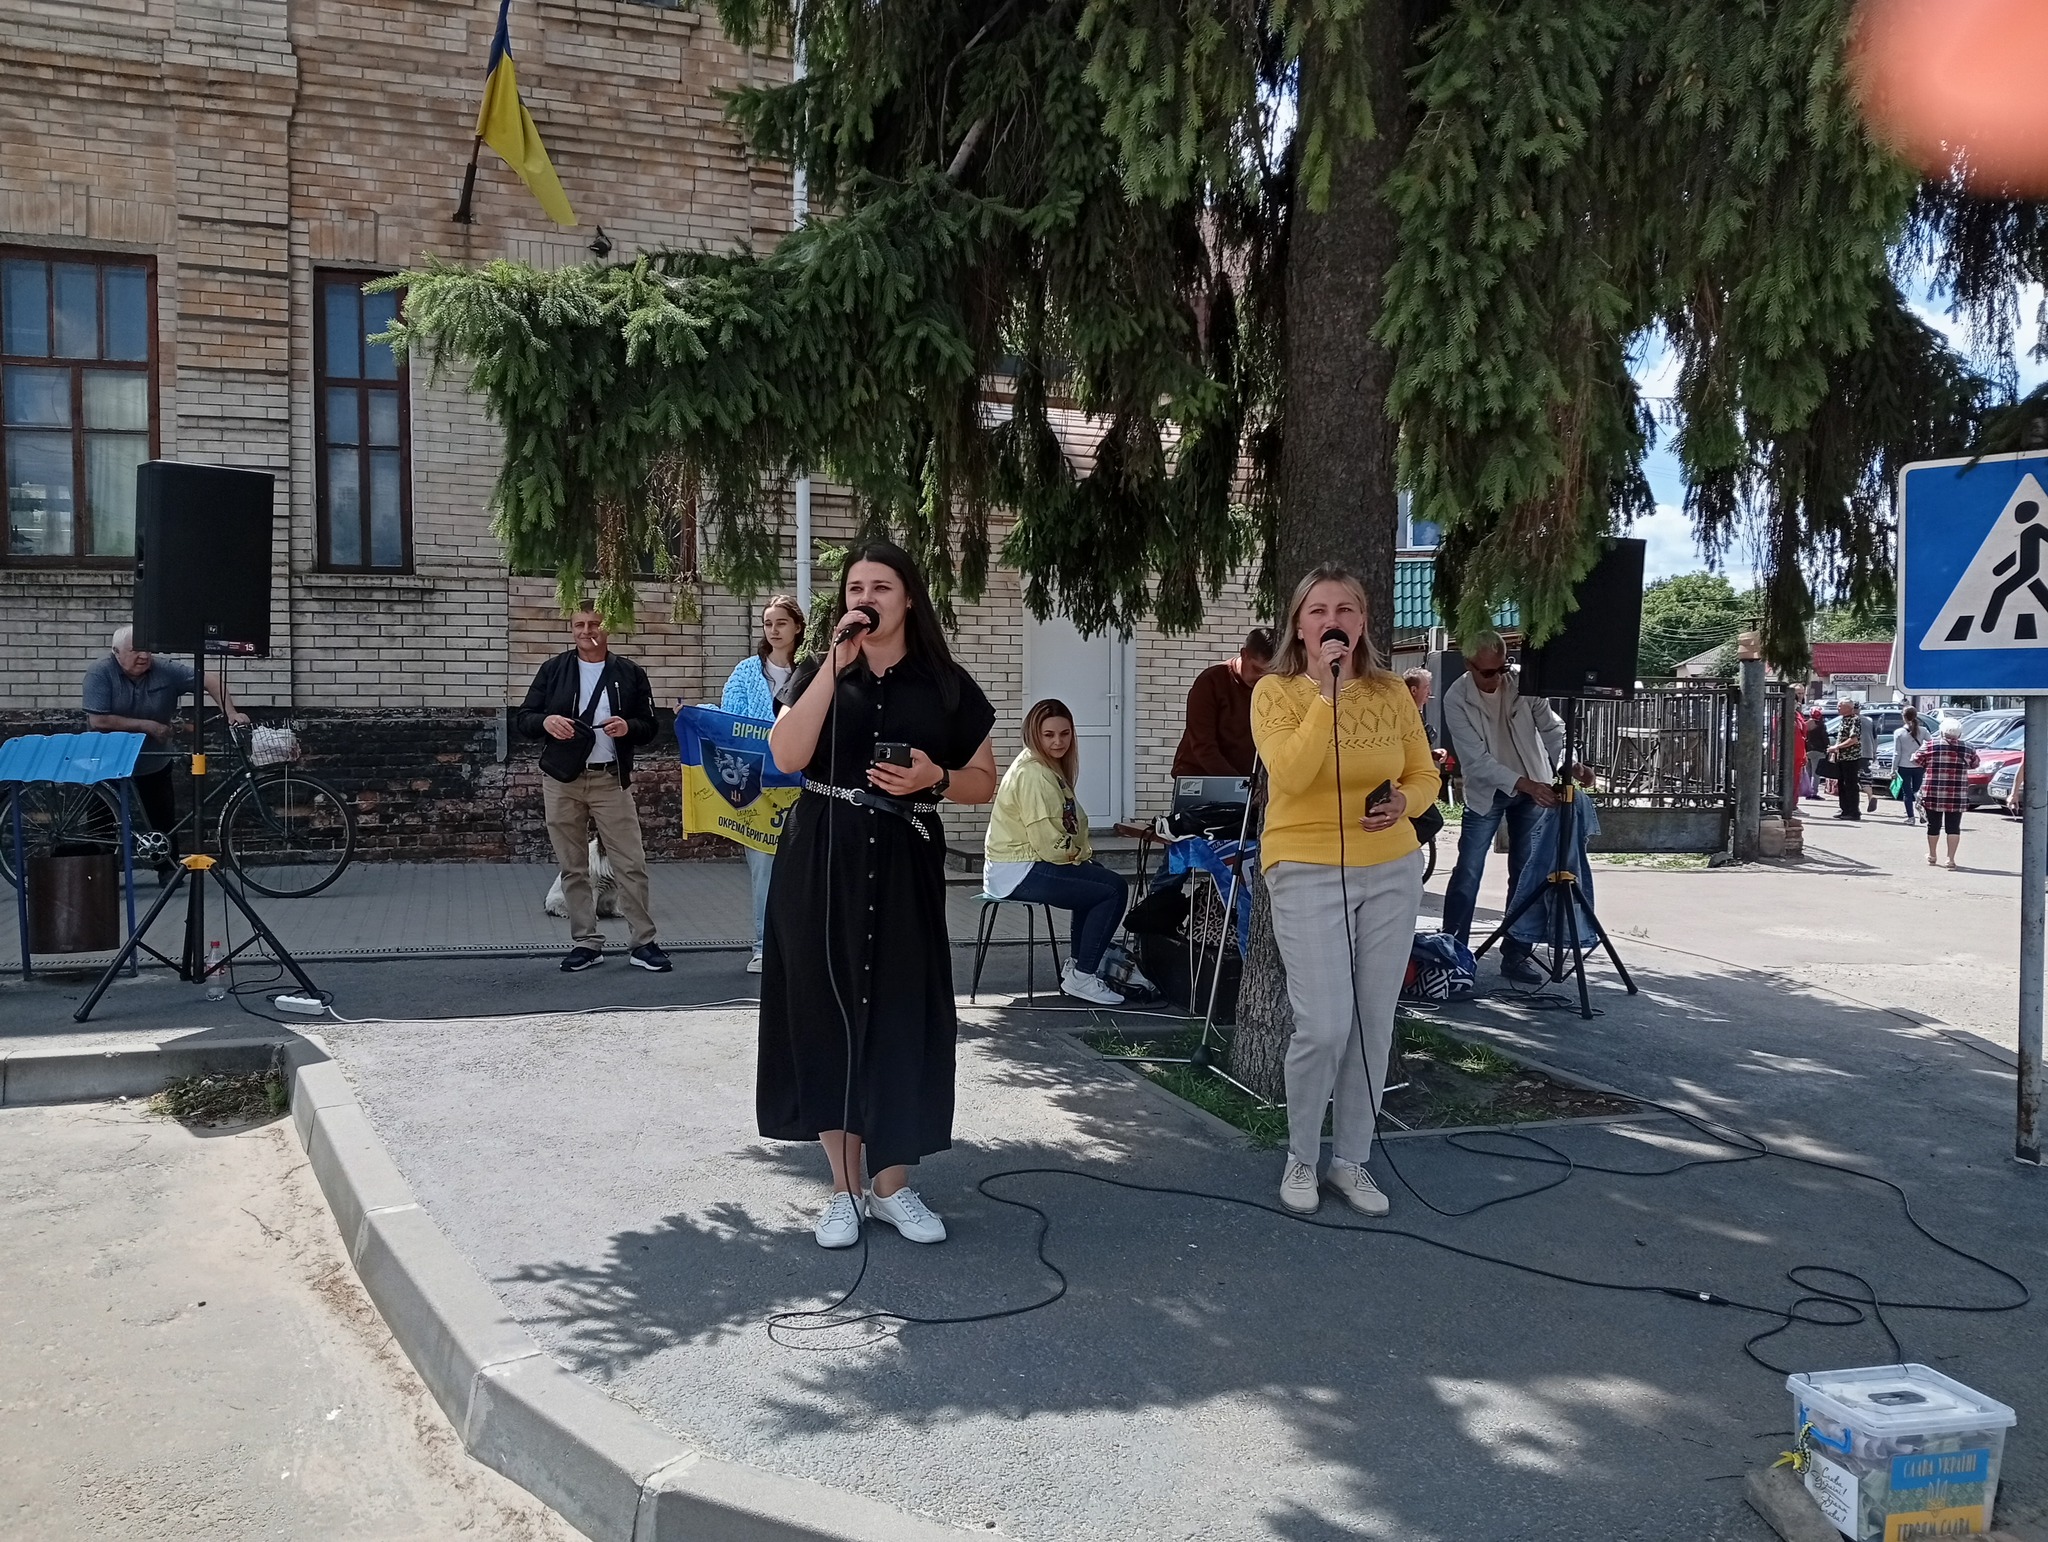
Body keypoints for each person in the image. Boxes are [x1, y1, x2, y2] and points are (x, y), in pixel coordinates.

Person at [761, 542, 999, 1250]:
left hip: (904, 860)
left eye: (882, 586)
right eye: (855, 587)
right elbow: (786, 755)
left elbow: (984, 781)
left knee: (900, 1016)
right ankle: (843, 1191)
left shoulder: (946, 682)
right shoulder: (819, 668)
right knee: (824, 1013)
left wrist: (934, 777)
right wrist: (833, 667)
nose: (866, 597)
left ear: (909, 598)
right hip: (822, 857)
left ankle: (892, 1188)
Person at [1250, 564, 1436, 1220]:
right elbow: (1292, 775)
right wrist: (1326, 694)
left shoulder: (1391, 693)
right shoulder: (1275, 693)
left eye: (1346, 610)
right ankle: (1302, 1154)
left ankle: (1350, 1160)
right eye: (1319, 611)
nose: (1333, 621)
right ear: (1300, 626)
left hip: (1390, 867)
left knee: (1371, 1022)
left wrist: (1406, 802)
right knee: (1326, 1025)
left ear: (1362, 622)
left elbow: (1424, 774)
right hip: (1305, 865)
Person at [516, 607, 668, 973]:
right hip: (562, 780)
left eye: (595, 624)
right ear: (572, 630)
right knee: (573, 866)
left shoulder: (629, 672)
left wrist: (628, 727)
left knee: (631, 863)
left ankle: (643, 943)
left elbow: (650, 725)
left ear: (607, 628)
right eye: (580, 625)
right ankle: (586, 942)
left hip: (610, 779)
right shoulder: (554, 670)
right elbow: (524, 719)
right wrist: (547, 721)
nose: (588, 631)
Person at [1440, 630, 1587, 983]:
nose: (1497, 678)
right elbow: (1476, 761)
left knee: (1525, 874)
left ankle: (1517, 954)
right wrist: (1525, 784)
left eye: (1502, 668)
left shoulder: (1522, 682)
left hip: (1533, 784)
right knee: (1468, 871)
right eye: (1488, 672)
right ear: (1468, 665)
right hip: (1488, 792)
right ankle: (1452, 954)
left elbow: (1552, 729)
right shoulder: (1455, 697)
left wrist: (1569, 761)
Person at [984, 699, 1153, 1005]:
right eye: (1048, 735)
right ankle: (1083, 976)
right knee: (1113, 888)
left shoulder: (1042, 766)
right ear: (1034, 734)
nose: (1058, 742)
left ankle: (1078, 967)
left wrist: (1082, 859)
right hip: (1020, 870)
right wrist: (1079, 857)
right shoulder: (1035, 774)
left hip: (1018, 866)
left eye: (1064, 733)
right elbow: (1050, 844)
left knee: (1097, 879)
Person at [83, 626, 250, 875]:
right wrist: (147, 726)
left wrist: (231, 712)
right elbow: (98, 720)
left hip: (153, 757)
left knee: (161, 813)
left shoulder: (165, 670)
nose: (144, 656)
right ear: (116, 652)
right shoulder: (100, 672)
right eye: (135, 650)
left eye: (148, 650)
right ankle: (99, 875)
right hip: (108, 758)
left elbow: (210, 679)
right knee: (102, 817)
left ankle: (168, 869)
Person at [721, 594, 805, 973]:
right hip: (757, 789)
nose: (773, 630)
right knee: (763, 870)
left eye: (781, 623)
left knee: (804, 869)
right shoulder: (745, 673)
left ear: (797, 627)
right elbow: (729, 724)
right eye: (768, 623)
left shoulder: (811, 671)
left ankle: (802, 947)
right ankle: (762, 947)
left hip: (803, 785)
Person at [1170, 628, 1275, 776]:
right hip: (1198, 776)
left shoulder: (1271, 689)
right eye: (1257, 669)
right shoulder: (1210, 682)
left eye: (1268, 673)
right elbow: (1203, 745)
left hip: (1241, 779)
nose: (1261, 677)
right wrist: (1236, 783)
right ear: (1244, 654)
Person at [1914, 719, 1980, 870]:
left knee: (1933, 825)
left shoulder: (1930, 745)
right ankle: (1950, 859)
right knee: (1954, 826)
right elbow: (1975, 764)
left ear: (1942, 732)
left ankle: (1932, 855)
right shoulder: (1968, 747)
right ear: (1959, 734)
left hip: (1933, 791)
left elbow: (1916, 759)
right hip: (1957, 793)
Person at [1827, 699, 1876, 820]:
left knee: (1850, 785)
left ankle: (1854, 812)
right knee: (1841, 785)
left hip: (1851, 757)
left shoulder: (1855, 720)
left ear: (1848, 708)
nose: (1838, 708)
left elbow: (1853, 739)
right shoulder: (1843, 719)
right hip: (1841, 757)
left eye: (1840, 706)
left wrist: (1837, 747)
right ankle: (1845, 810)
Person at [1893, 706, 1932, 823]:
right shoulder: (1923, 731)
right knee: (1917, 791)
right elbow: (1931, 744)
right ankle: (1922, 812)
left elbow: (1897, 753)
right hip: (1919, 765)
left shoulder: (1898, 732)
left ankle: (1911, 817)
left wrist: (1893, 769)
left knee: (1907, 793)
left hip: (1904, 766)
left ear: (1903, 717)